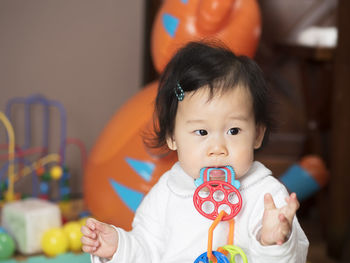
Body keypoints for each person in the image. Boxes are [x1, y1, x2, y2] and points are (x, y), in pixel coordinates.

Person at [81, 41, 309, 263]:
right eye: (201, 132)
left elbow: (296, 256)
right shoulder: (167, 191)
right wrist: (118, 247)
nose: (218, 148)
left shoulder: (267, 195)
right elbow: (146, 248)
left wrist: (272, 242)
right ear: (172, 137)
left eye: (234, 130)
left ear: (257, 135)